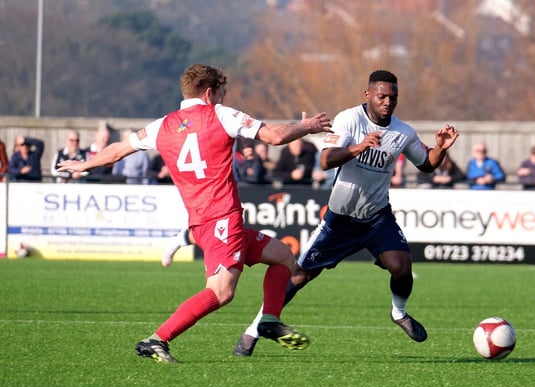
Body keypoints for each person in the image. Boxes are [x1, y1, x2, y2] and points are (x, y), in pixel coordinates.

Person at [56, 63, 332, 363]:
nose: (224, 100)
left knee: (282, 256)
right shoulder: (221, 115)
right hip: (221, 220)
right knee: (221, 292)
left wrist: (84, 165)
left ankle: (268, 320)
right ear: (210, 92)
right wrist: (305, 127)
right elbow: (275, 137)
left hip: (205, 223)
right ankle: (157, 339)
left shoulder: (163, 125)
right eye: (222, 94)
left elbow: (119, 149)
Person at [232, 69, 460, 357]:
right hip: (339, 220)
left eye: (393, 97)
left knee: (402, 267)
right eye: (382, 96)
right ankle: (254, 330)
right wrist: (359, 146)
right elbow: (326, 160)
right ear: (368, 95)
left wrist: (440, 148)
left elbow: (427, 165)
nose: (388, 102)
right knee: (298, 276)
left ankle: (399, 312)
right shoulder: (349, 120)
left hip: (377, 217)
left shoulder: (403, 132)